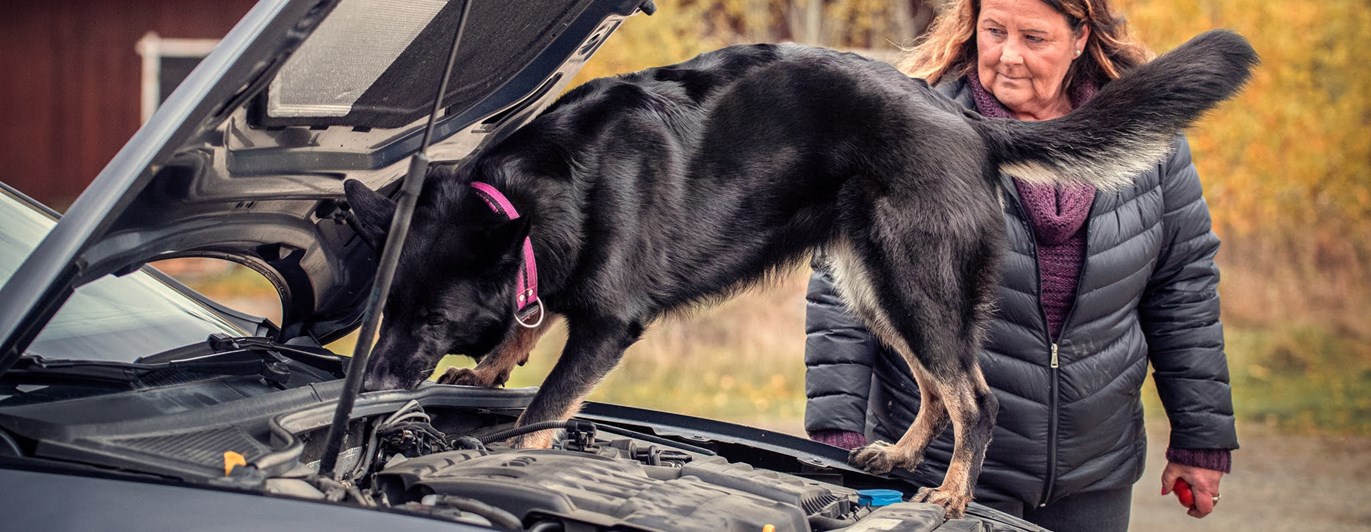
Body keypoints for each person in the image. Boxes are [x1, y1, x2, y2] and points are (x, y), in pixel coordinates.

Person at [803, 0, 1237, 529]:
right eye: (994, 31)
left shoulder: (1146, 142)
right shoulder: (909, 128)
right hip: (943, 471)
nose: (1008, 56)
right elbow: (841, 290)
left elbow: (1182, 290)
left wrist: (1200, 440)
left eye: (1034, 38)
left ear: (1080, 37)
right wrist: (837, 434)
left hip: (1092, 471)